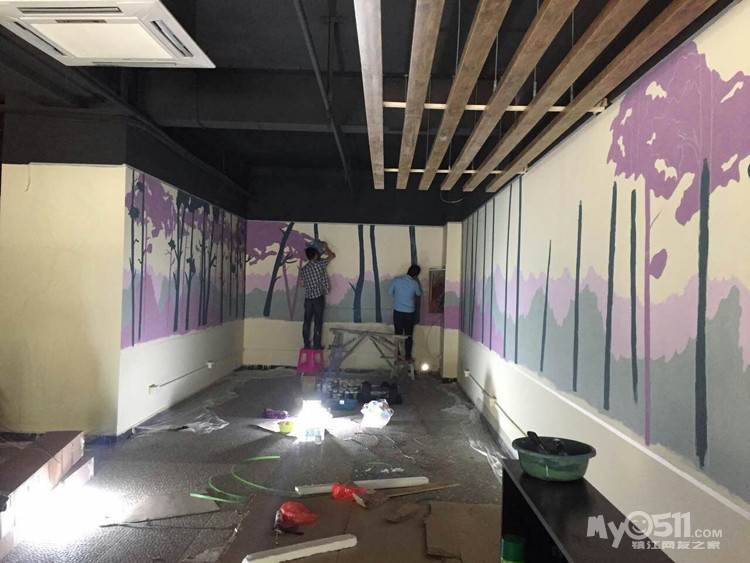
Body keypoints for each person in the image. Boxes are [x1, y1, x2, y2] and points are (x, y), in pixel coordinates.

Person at [299, 240, 336, 349]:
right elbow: (332, 256)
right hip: (318, 298)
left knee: (307, 322)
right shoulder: (320, 265)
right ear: (315, 255)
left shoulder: (304, 269)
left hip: (308, 299)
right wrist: (326, 247)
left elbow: (302, 284)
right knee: (318, 322)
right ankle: (316, 345)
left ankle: (306, 344)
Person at [388, 265, 422, 361]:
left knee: (398, 334)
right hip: (409, 313)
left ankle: (397, 354)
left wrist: (398, 297)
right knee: (408, 335)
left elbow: (390, 292)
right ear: (416, 275)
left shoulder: (396, 280)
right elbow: (419, 293)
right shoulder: (414, 283)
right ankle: (407, 355)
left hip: (398, 311)